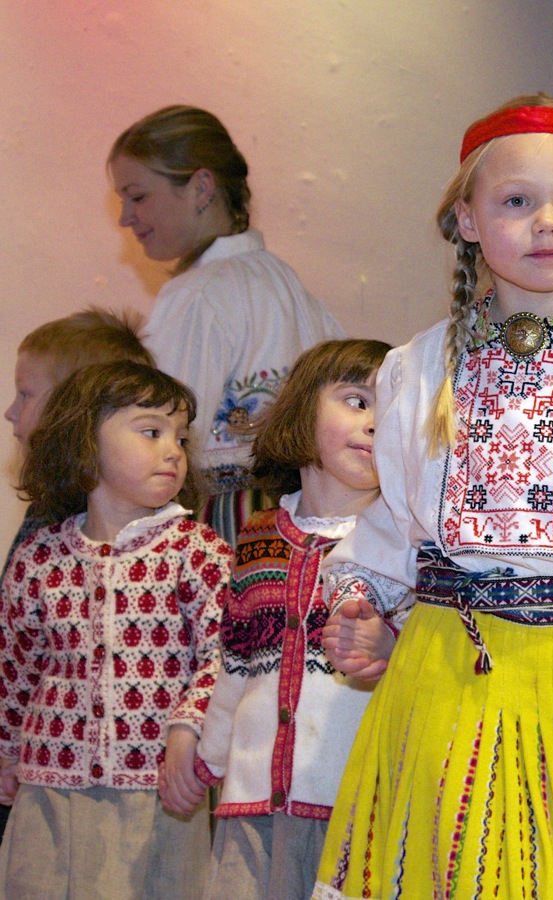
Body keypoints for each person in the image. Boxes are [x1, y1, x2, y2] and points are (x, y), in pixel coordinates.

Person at [312, 94, 553, 898]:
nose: (546, 222)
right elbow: (394, 526)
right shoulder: (413, 369)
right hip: (441, 676)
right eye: (516, 201)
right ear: (467, 219)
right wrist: (363, 603)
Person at [170, 339, 403, 900]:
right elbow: (236, 658)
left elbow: (431, 659)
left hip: (357, 806)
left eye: (392, 411)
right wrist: (207, 753)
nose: (375, 423)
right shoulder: (257, 536)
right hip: (251, 805)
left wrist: (390, 646)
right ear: (301, 409)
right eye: (356, 401)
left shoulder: (404, 544)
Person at [0, 360, 233, 898]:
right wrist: (8, 749)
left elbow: (223, 656)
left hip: (157, 792)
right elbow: (15, 668)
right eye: (151, 432)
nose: (173, 451)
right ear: (85, 442)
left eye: (180, 437)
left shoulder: (197, 552)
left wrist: (189, 727)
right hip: (50, 789)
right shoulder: (39, 559)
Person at [108, 105, 345, 547]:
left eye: (137, 196)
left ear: (201, 187)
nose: (125, 217)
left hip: (223, 528)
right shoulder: (288, 284)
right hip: (305, 526)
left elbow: (152, 432)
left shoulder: (198, 294)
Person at [0, 307, 156, 841]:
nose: (10, 412)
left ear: (76, 409)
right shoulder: (49, 516)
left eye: (25, 394)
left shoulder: (78, 526)